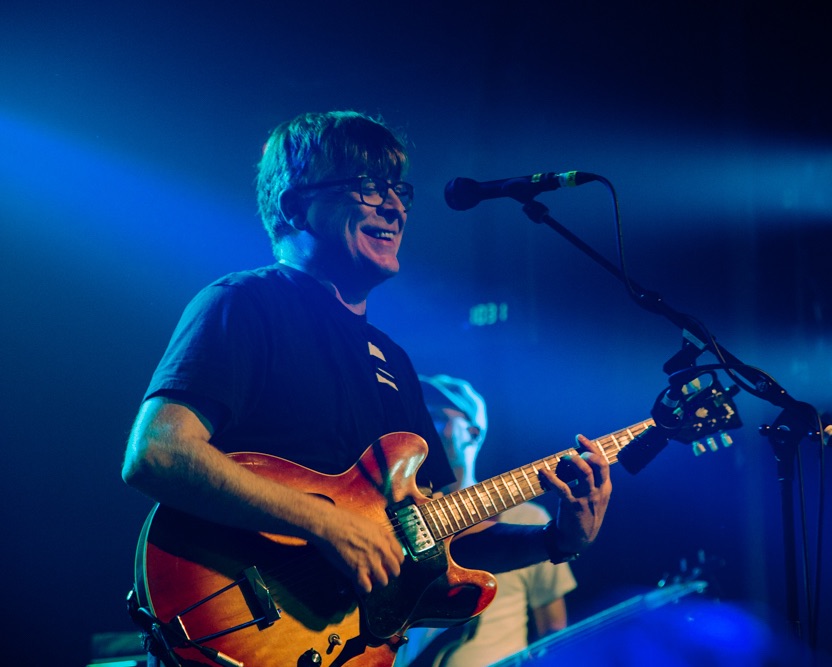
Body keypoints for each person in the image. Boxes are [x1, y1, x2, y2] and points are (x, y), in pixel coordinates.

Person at [120, 110, 611, 666]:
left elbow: (441, 537)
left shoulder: (393, 361)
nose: (395, 207)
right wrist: (324, 523)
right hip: (237, 628)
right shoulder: (244, 304)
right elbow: (157, 453)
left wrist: (556, 541)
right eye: (367, 187)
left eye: (399, 191)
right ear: (295, 206)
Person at [393, 374, 577, 667]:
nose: (424, 428)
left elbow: (553, 632)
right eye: (422, 418)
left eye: (437, 417)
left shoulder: (527, 519)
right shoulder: (401, 520)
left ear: (473, 432)